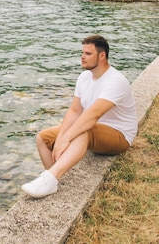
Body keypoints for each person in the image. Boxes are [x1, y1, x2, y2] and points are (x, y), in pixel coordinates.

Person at [21, 35, 137, 198]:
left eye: (88, 54)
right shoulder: (84, 77)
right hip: (96, 130)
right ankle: (53, 177)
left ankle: (50, 178)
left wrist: (67, 138)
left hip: (120, 136)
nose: (82, 57)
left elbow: (93, 115)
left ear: (102, 56)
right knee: (43, 138)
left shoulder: (115, 80)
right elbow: (75, 111)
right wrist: (61, 137)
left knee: (83, 130)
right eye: (82, 53)